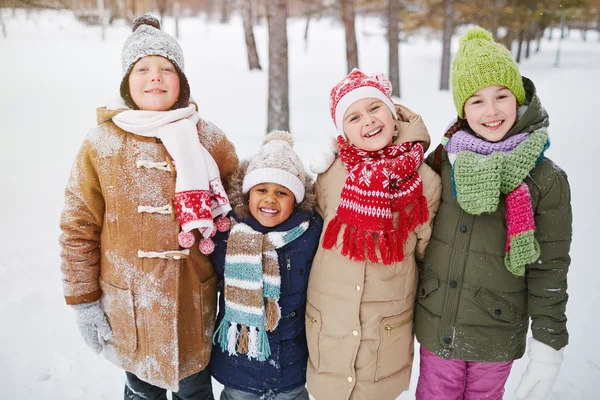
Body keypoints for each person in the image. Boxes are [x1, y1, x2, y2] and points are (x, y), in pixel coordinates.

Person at [59, 14, 238, 400]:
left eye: (166, 69)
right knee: (141, 390)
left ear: (182, 83)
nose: (155, 77)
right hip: (131, 308)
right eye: (142, 69)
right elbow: (78, 227)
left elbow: (237, 214)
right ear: (127, 82)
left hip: (194, 303)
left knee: (194, 389)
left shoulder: (208, 138)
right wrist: (84, 301)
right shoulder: (101, 144)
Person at [414, 27, 572, 400]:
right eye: (476, 101)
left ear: (517, 98)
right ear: (462, 111)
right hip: (438, 322)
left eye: (501, 96)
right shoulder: (444, 161)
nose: (491, 111)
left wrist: (548, 346)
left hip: (497, 329)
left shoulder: (545, 179)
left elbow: (551, 268)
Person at [306, 69, 442, 399]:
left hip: (385, 327)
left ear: (393, 114)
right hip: (331, 324)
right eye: (353, 117)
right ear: (343, 133)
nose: (368, 121)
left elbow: (426, 250)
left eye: (374, 108)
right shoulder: (330, 175)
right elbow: (313, 230)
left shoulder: (425, 180)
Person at [209, 130, 323, 400]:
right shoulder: (228, 233)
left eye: (281, 192)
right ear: (248, 194)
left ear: (295, 200)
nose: (270, 199)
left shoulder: (310, 232)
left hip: (292, 369)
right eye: (261, 190)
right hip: (240, 369)